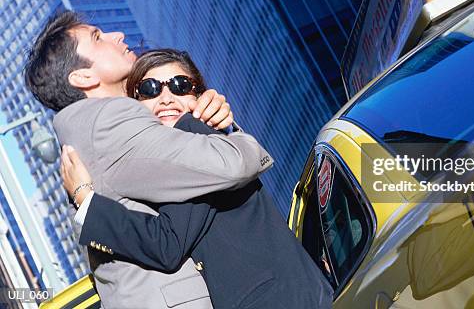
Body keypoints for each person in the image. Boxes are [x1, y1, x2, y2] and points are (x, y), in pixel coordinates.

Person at [25, 11, 273, 309]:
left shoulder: (87, 131)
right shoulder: (108, 122)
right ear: (83, 77)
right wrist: (229, 135)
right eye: (98, 37)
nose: (117, 36)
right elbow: (231, 165)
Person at [61, 49, 333, 308]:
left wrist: (86, 201)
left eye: (180, 85)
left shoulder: (194, 139)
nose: (166, 98)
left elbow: (166, 245)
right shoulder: (175, 154)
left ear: (201, 96)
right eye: (150, 89)